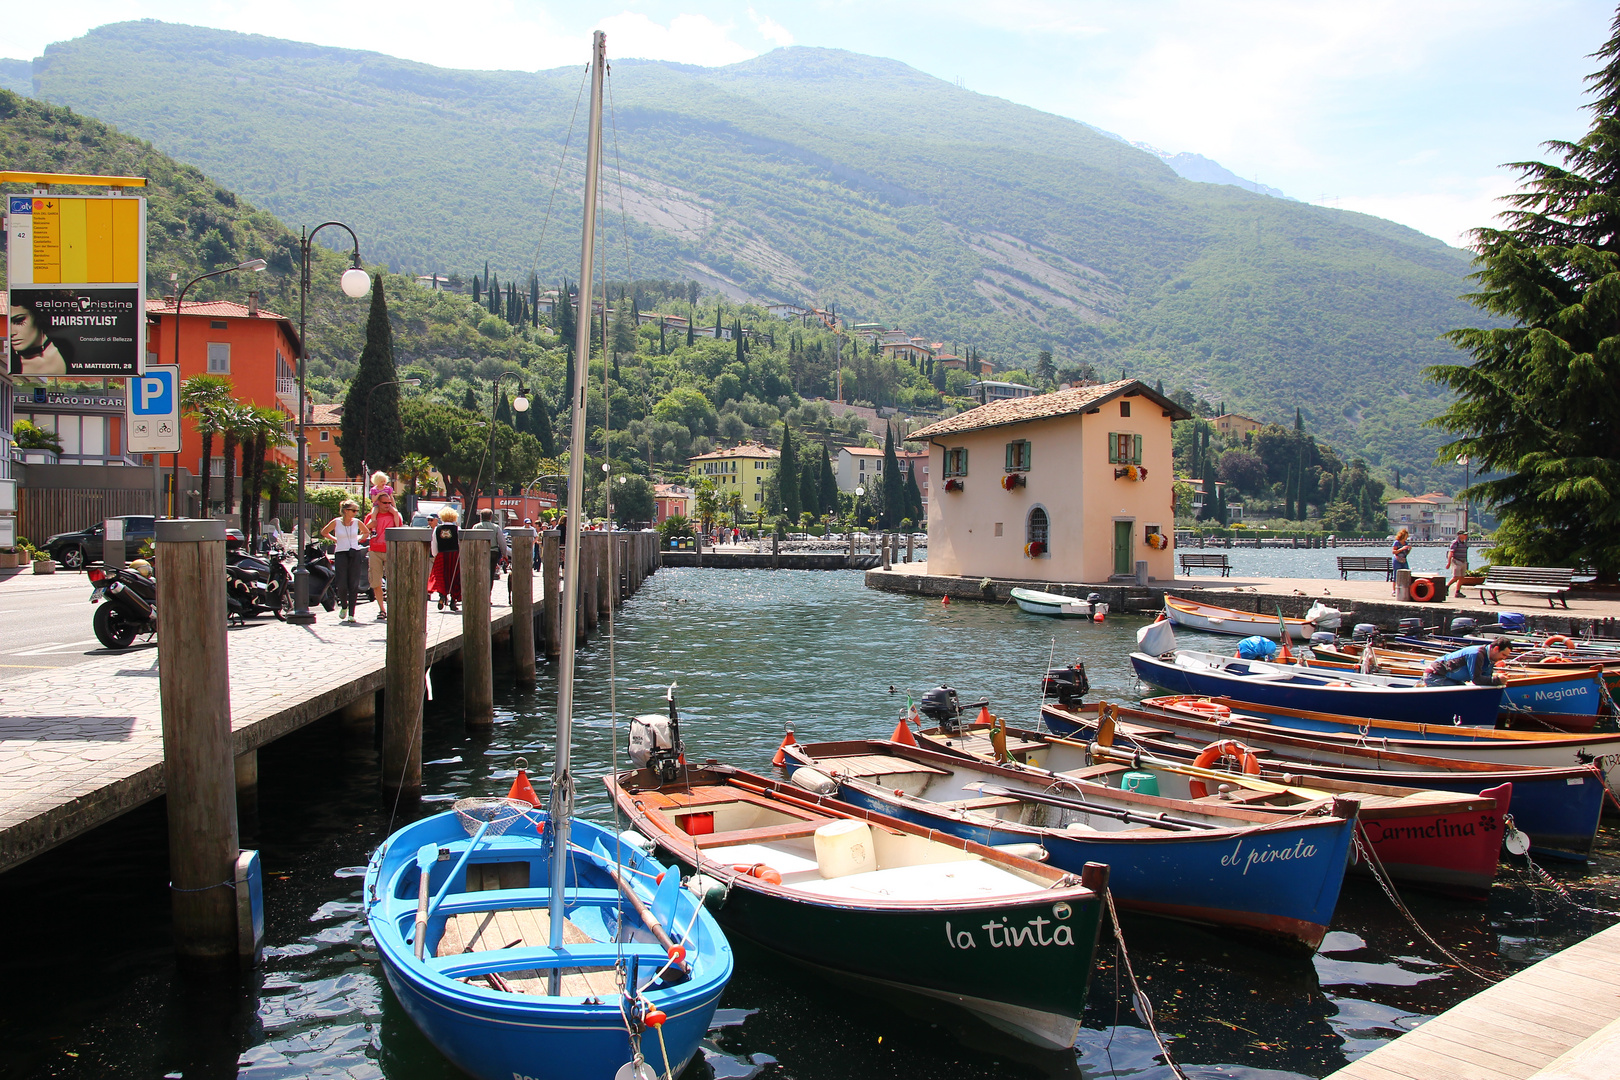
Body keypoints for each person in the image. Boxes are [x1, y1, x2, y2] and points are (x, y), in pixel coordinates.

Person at [321, 499, 371, 623]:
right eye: (353, 510)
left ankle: (351, 613)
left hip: (355, 552)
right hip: (341, 553)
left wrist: (359, 539)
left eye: (356, 511)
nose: (355, 513)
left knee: (353, 583)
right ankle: (344, 606)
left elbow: (366, 532)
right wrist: (335, 539)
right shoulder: (336, 522)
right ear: (345, 511)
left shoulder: (357, 522)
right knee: (342, 583)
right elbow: (324, 532)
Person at [365, 488, 405, 621]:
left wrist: (395, 513)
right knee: (376, 581)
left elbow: (400, 529)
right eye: (384, 503)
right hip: (375, 550)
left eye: (389, 502)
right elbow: (366, 532)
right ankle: (381, 609)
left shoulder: (395, 515)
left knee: (393, 580)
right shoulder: (372, 515)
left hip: (390, 550)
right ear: (378, 503)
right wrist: (371, 525)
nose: (387, 505)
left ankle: (392, 607)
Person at [8, 296, 71, 375]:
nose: (11, 332)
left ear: (39, 317)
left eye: (19, 321)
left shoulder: (67, 348)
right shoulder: (10, 363)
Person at [1423, 636, 1510, 687]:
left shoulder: (1491, 659)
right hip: (1435, 675)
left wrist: (1497, 680)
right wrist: (1497, 680)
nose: (1504, 659)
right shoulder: (1476, 654)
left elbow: (1486, 680)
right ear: (1496, 649)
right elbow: (1477, 679)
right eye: (1503, 655)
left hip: (1452, 679)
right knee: (1459, 697)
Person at [428, 506, 461, 612]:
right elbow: (460, 543)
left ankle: (442, 595)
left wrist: (435, 554)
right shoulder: (457, 529)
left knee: (441, 577)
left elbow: (434, 543)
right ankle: (453, 601)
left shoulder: (437, 529)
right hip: (454, 555)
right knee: (454, 578)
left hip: (442, 555)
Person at [473, 508, 508, 596]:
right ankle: (488, 594)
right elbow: (501, 542)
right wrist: (504, 554)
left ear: (481, 517)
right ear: (491, 517)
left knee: (479, 573)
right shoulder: (496, 527)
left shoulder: (476, 527)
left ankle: (479, 593)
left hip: (479, 552)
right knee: (490, 574)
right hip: (493, 552)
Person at [1391, 527, 1412, 597]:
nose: (1406, 538)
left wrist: (1409, 550)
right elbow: (1394, 551)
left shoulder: (1406, 543)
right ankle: (1394, 590)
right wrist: (1402, 548)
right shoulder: (1397, 542)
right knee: (1396, 575)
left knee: (1407, 573)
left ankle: (1405, 589)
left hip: (1404, 559)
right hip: (1397, 560)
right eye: (1406, 536)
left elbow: (1406, 553)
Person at [1447, 530, 1470, 594]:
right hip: (1456, 561)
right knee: (1456, 576)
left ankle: (1458, 592)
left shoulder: (1464, 543)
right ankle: (1447, 586)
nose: (1466, 536)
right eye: (1464, 535)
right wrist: (1449, 562)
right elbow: (1450, 552)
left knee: (1462, 577)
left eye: (1466, 535)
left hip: (1463, 561)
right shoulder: (1455, 542)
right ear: (1460, 535)